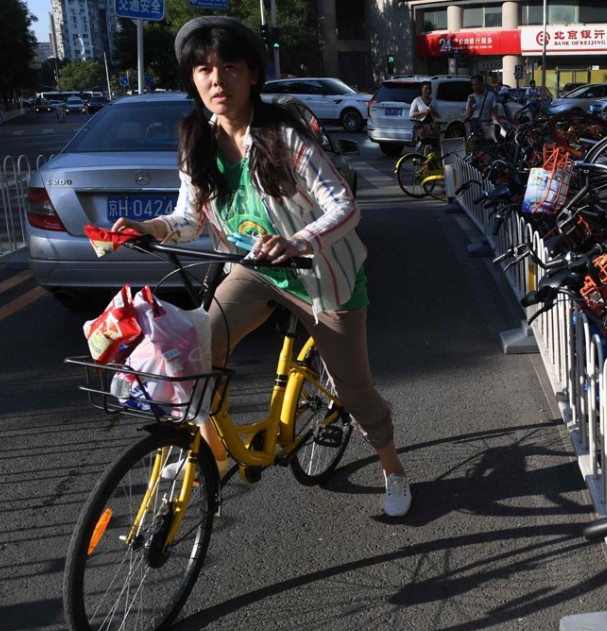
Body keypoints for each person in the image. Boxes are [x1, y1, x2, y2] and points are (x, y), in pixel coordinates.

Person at [111, 16, 412, 517]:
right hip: (253, 270)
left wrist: (297, 241)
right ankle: (211, 446)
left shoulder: (284, 138)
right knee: (194, 348)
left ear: (252, 74)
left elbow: (344, 207)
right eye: (204, 69)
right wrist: (151, 229)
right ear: (193, 78)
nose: (216, 79)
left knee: (355, 392)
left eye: (228, 66)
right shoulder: (196, 141)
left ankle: (393, 468)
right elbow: (188, 218)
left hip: (321, 276)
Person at [464, 74, 494, 152]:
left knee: (488, 153)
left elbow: (495, 113)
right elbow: (468, 115)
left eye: (477, 84)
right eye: (473, 85)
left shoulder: (490, 95)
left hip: (487, 131)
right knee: (475, 154)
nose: (475, 87)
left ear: (482, 83)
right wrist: (470, 104)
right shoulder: (471, 97)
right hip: (475, 130)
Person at [409, 82, 440, 152]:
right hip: (421, 127)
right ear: (421, 89)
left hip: (431, 128)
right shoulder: (417, 100)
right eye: (426, 89)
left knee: (434, 147)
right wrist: (423, 112)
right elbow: (411, 114)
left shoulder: (434, 101)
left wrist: (433, 111)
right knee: (420, 147)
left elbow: (439, 115)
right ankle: (419, 160)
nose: (428, 91)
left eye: (429, 89)